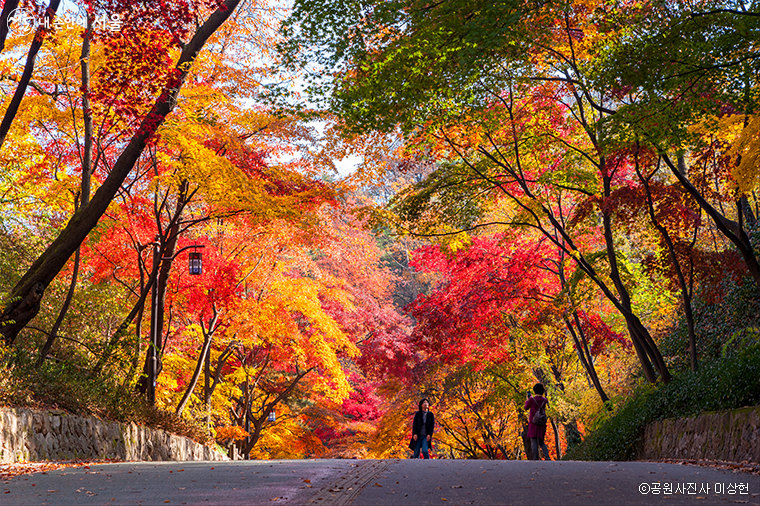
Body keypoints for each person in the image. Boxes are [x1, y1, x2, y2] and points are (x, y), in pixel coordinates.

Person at [524, 383, 551, 461]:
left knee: (533, 441)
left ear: (534, 391)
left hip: (533, 422)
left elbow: (526, 408)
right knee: (541, 440)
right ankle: (547, 457)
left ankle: (535, 458)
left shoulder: (532, 400)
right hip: (541, 423)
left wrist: (527, 400)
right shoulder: (544, 400)